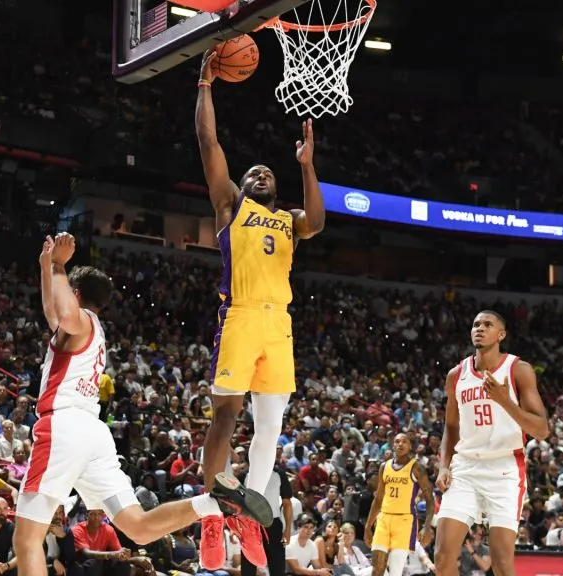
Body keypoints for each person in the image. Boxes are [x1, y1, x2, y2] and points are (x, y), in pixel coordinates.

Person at [13, 234, 273, 576]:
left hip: (64, 427)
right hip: (93, 434)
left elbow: (62, 311)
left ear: (75, 295)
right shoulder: (91, 328)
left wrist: (59, 265)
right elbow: (54, 312)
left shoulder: (80, 322)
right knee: (138, 526)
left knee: (27, 540)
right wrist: (47, 267)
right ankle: (210, 503)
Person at [194, 46, 326, 570]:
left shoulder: (290, 219)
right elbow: (209, 142)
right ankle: (209, 516)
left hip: (280, 324)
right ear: (242, 186)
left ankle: (247, 513)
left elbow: (316, 220)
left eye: (269, 172)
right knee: (226, 415)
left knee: (270, 426)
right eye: (255, 172)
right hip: (243, 314)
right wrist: (205, 86)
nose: (262, 174)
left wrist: (308, 165)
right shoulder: (231, 206)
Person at [433, 310, 549, 576]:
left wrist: (503, 399)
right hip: (465, 467)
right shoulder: (456, 375)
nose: (480, 328)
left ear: (501, 334)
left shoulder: (518, 370)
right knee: (442, 556)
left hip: (504, 468)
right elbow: (451, 427)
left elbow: (542, 430)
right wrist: (443, 466)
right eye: (475, 324)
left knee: (502, 563)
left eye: (488, 324)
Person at [364, 433, 435, 576]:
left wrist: (426, 527)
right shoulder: (384, 466)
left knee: (396, 571)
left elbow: (430, 500)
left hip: (404, 521)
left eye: (404, 442)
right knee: (377, 569)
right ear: (392, 444)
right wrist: (368, 526)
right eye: (397, 441)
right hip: (383, 519)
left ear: (410, 446)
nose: (400, 444)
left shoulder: (417, 468)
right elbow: (378, 499)